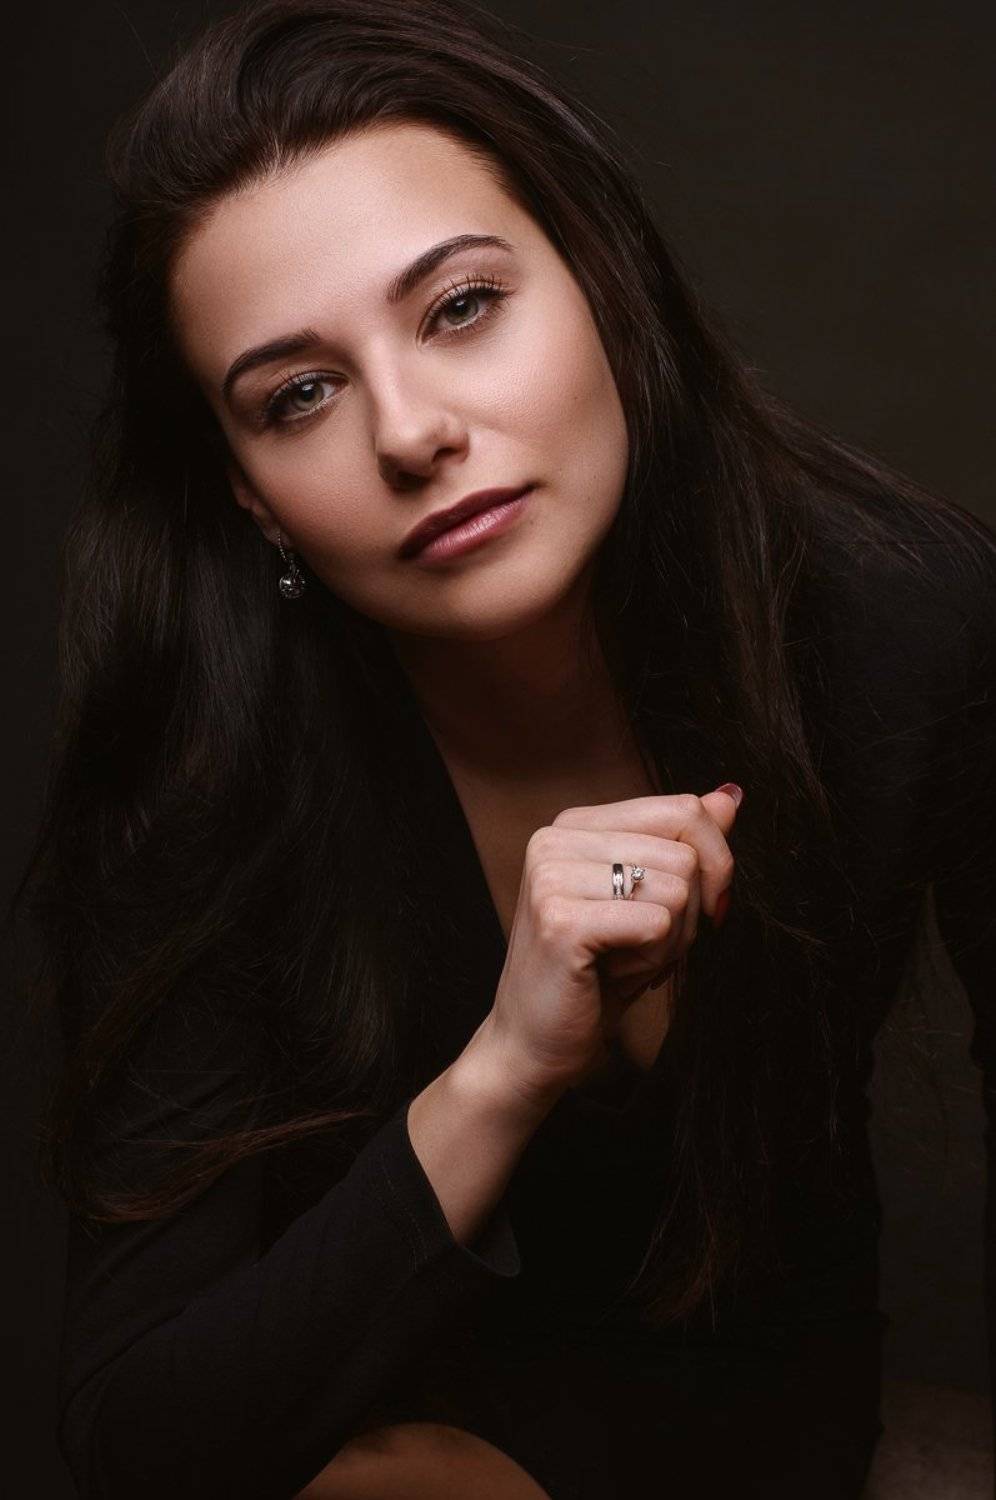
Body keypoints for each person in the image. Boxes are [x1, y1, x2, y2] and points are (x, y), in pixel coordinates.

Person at [15, 0, 995, 1496]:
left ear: (601, 279)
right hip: (382, 1431)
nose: (410, 431)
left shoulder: (903, 620)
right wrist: (508, 1066)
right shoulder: (203, 779)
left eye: (461, 306)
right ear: (252, 497)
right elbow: (139, 1439)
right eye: (300, 395)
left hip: (770, 1419)